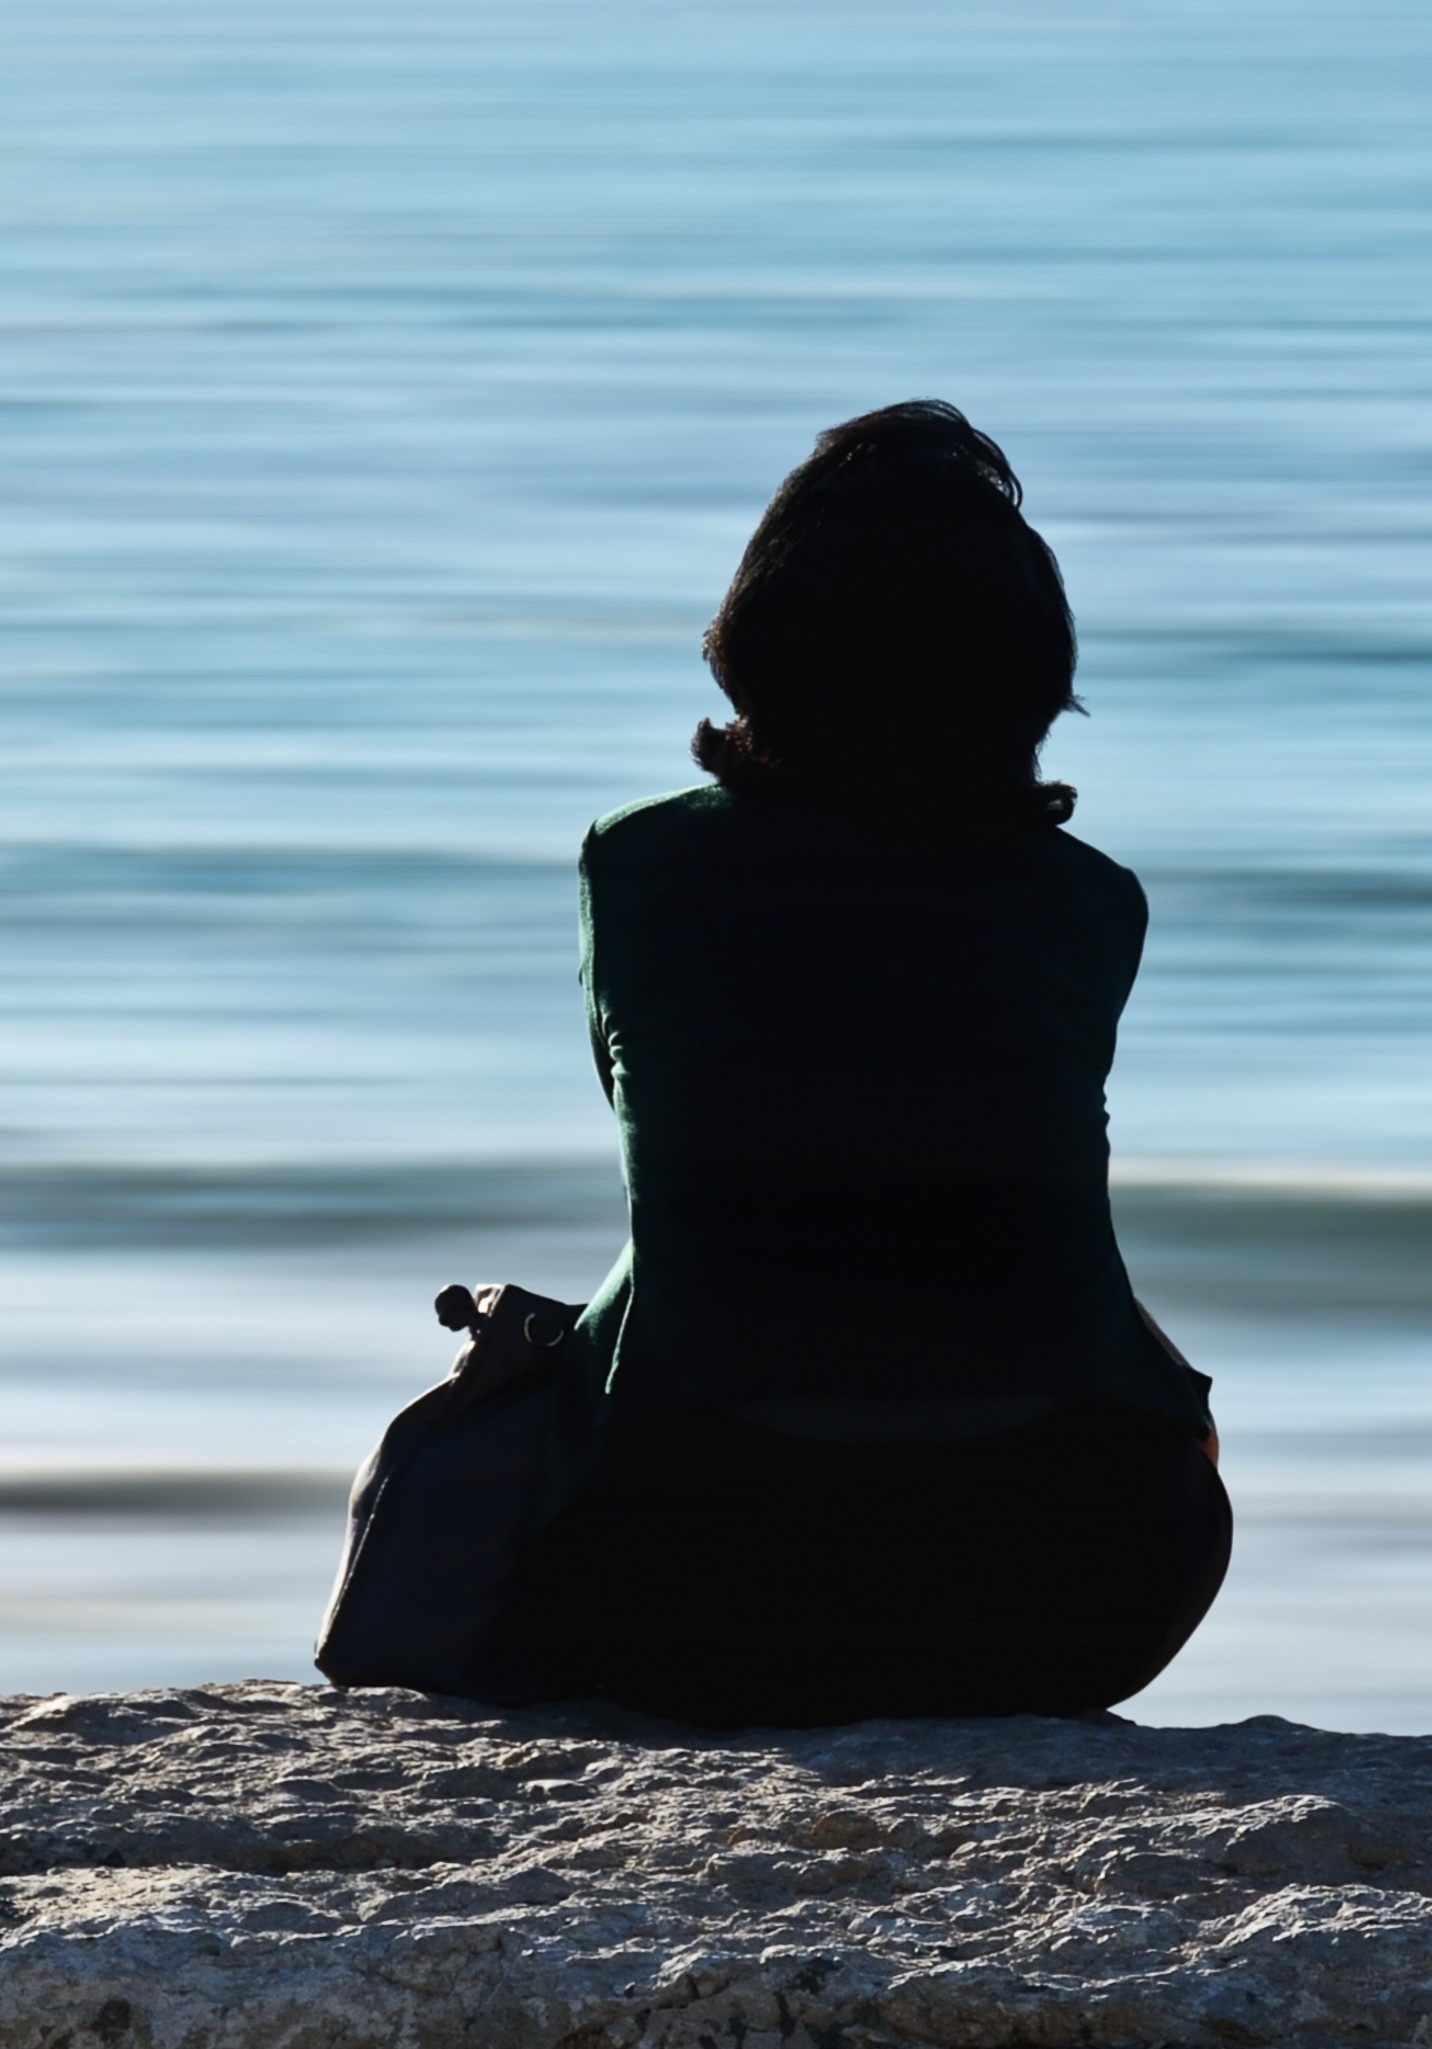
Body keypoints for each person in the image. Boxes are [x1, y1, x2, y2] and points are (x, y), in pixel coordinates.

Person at [483, 400, 1231, 1726]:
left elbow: (692, 1167)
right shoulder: (1087, 900)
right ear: (1030, 678)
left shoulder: (643, 866)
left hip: (690, 1592)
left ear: (754, 651)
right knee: (1159, 1393)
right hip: (1082, 1588)